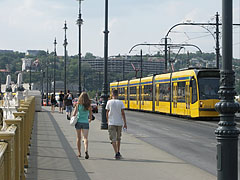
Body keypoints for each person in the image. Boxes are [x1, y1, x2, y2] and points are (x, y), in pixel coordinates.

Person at [106, 89, 127, 160]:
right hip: (119, 123)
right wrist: (125, 123)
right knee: (118, 138)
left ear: (112, 94)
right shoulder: (121, 102)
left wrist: (107, 121)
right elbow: (123, 113)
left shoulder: (109, 102)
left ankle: (116, 153)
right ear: (117, 94)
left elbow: (107, 112)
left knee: (113, 139)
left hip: (111, 122)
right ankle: (118, 152)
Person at [72, 92, 92, 159]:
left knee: (78, 138)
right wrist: (90, 119)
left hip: (78, 122)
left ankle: (79, 153)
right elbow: (90, 115)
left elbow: (74, 114)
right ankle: (86, 150)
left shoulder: (78, 105)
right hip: (85, 122)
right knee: (85, 138)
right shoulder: (88, 105)